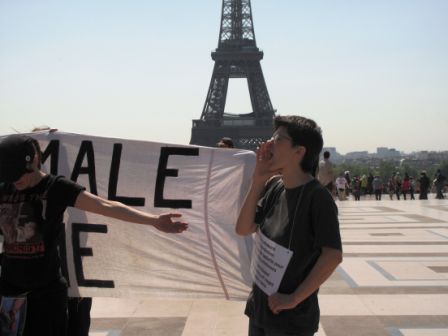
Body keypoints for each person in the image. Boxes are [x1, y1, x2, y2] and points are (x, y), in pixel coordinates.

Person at [0, 134, 188, 336]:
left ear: (35, 160)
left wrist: (153, 220)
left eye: (17, 173)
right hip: (9, 293)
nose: (14, 180)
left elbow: (105, 206)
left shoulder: (56, 188)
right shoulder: (4, 189)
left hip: (46, 295)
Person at [236, 115, 343, 336]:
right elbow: (243, 228)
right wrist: (258, 180)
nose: (268, 144)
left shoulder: (318, 198)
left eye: (278, 139)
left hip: (291, 320)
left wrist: (294, 298)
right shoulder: (276, 188)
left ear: (299, 151)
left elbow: (332, 255)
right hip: (260, 308)